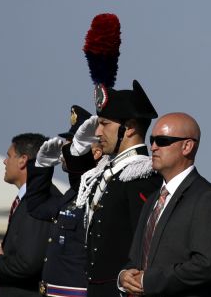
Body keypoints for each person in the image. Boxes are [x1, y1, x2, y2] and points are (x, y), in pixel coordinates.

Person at [66, 81, 163, 297]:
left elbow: (146, 244)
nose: (98, 132)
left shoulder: (141, 175)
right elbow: (77, 187)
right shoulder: (109, 171)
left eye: (104, 123)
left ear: (128, 128)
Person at [119, 113, 211, 297]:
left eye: (162, 140)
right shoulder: (153, 199)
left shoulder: (206, 197)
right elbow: (136, 258)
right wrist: (124, 277)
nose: (153, 147)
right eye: (152, 140)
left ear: (187, 146)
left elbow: (205, 265)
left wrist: (148, 281)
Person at [26, 105, 98, 297]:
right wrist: (41, 168)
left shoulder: (96, 193)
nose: (65, 150)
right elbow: (37, 207)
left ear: (95, 151)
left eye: (72, 145)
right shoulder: (72, 194)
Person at [0, 132, 55, 297]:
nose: (5, 161)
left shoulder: (40, 201)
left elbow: (28, 263)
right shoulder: (27, 200)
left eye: (9, 156)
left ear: (23, 160)